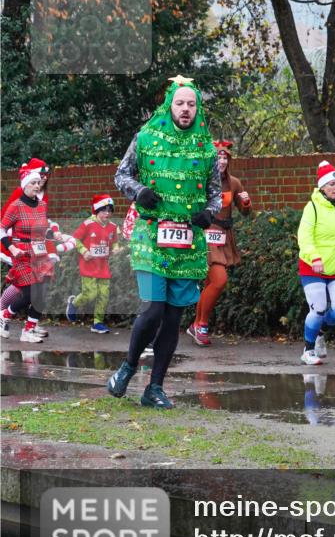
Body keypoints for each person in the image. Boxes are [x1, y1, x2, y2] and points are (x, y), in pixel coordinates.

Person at [106, 75, 222, 409]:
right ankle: (128, 367)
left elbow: (215, 194)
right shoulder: (145, 138)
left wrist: (209, 214)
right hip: (151, 234)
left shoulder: (206, 148)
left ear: (197, 109)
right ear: (169, 105)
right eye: (180, 103)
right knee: (154, 310)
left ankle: (154, 388)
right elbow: (121, 174)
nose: (185, 109)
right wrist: (139, 190)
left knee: (172, 319)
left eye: (191, 104)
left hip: (187, 242)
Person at [187, 139, 252, 346]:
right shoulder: (202, 180)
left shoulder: (234, 182)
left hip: (224, 235)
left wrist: (246, 202)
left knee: (210, 283)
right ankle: (202, 324)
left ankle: (195, 324)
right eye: (218, 157)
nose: (222, 161)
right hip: (206, 234)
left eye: (225, 158)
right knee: (219, 280)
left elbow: (245, 212)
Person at [296, 161, 335, 365]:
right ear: (322, 186)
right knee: (319, 309)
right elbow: (304, 236)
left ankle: (320, 332)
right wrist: (314, 257)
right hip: (313, 267)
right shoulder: (312, 207)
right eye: (331, 184)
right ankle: (308, 350)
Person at [0, 171, 54, 343]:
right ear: (25, 185)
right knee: (30, 292)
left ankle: (28, 330)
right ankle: (5, 315)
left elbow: (43, 228)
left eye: (39, 183)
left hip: (39, 252)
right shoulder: (16, 205)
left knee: (42, 292)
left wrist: (54, 234)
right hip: (21, 252)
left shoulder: (42, 205)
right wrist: (12, 249)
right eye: (33, 183)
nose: (37, 186)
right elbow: (1, 229)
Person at [66, 195, 120, 334]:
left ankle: (98, 323)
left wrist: (115, 248)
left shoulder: (113, 227)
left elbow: (115, 242)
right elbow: (75, 240)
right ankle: (74, 303)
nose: (107, 214)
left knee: (104, 294)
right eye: (103, 210)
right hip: (88, 265)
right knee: (90, 294)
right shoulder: (88, 224)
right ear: (96, 211)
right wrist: (84, 251)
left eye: (109, 211)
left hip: (103, 266)